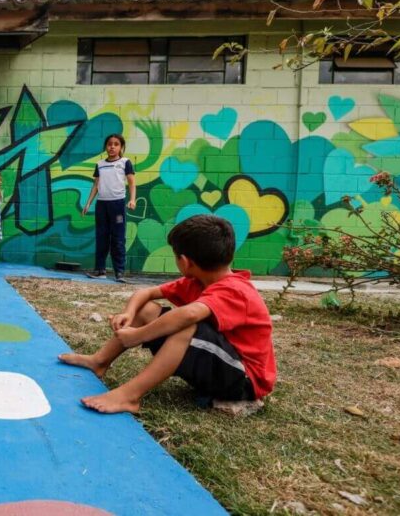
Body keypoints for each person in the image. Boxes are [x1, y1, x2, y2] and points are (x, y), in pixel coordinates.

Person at [58, 215, 277, 415]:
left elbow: (190, 314)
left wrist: (138, 335)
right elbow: (146, 293)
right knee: (147, 309)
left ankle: (129, 396)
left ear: (184, 261)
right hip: (216, 364)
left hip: (244, 380)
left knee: (187, 325)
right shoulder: (196, 281)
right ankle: (100, 362)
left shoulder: (236, 290)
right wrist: (129, 313)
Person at [82, 133, 136, 282]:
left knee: (118, 239)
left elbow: (132, 182)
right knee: (101, 237)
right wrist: (88, 203)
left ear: (121, 147)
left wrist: (132, 200)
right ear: (106, 146)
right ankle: (100, 270)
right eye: (109, 144)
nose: (112, 147)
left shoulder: (125, 162)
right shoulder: (100, 164)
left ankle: (119, 272)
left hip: (117, 205)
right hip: (102, 205)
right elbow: (96, 185)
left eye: (116, 144)